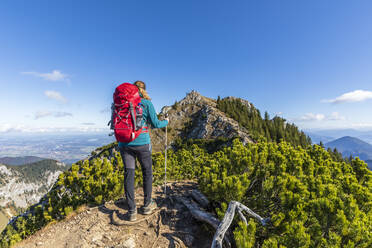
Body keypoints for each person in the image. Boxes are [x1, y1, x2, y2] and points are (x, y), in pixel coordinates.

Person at [118, 80, 168, 221]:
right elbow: (156, 123)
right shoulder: (146, 103)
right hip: (142, 144)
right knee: (147, 172)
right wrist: (167, 122)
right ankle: (146, 205)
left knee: (129, 174)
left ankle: (132, 211)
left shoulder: (123, 102)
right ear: (144, 89)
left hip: (124, 144)